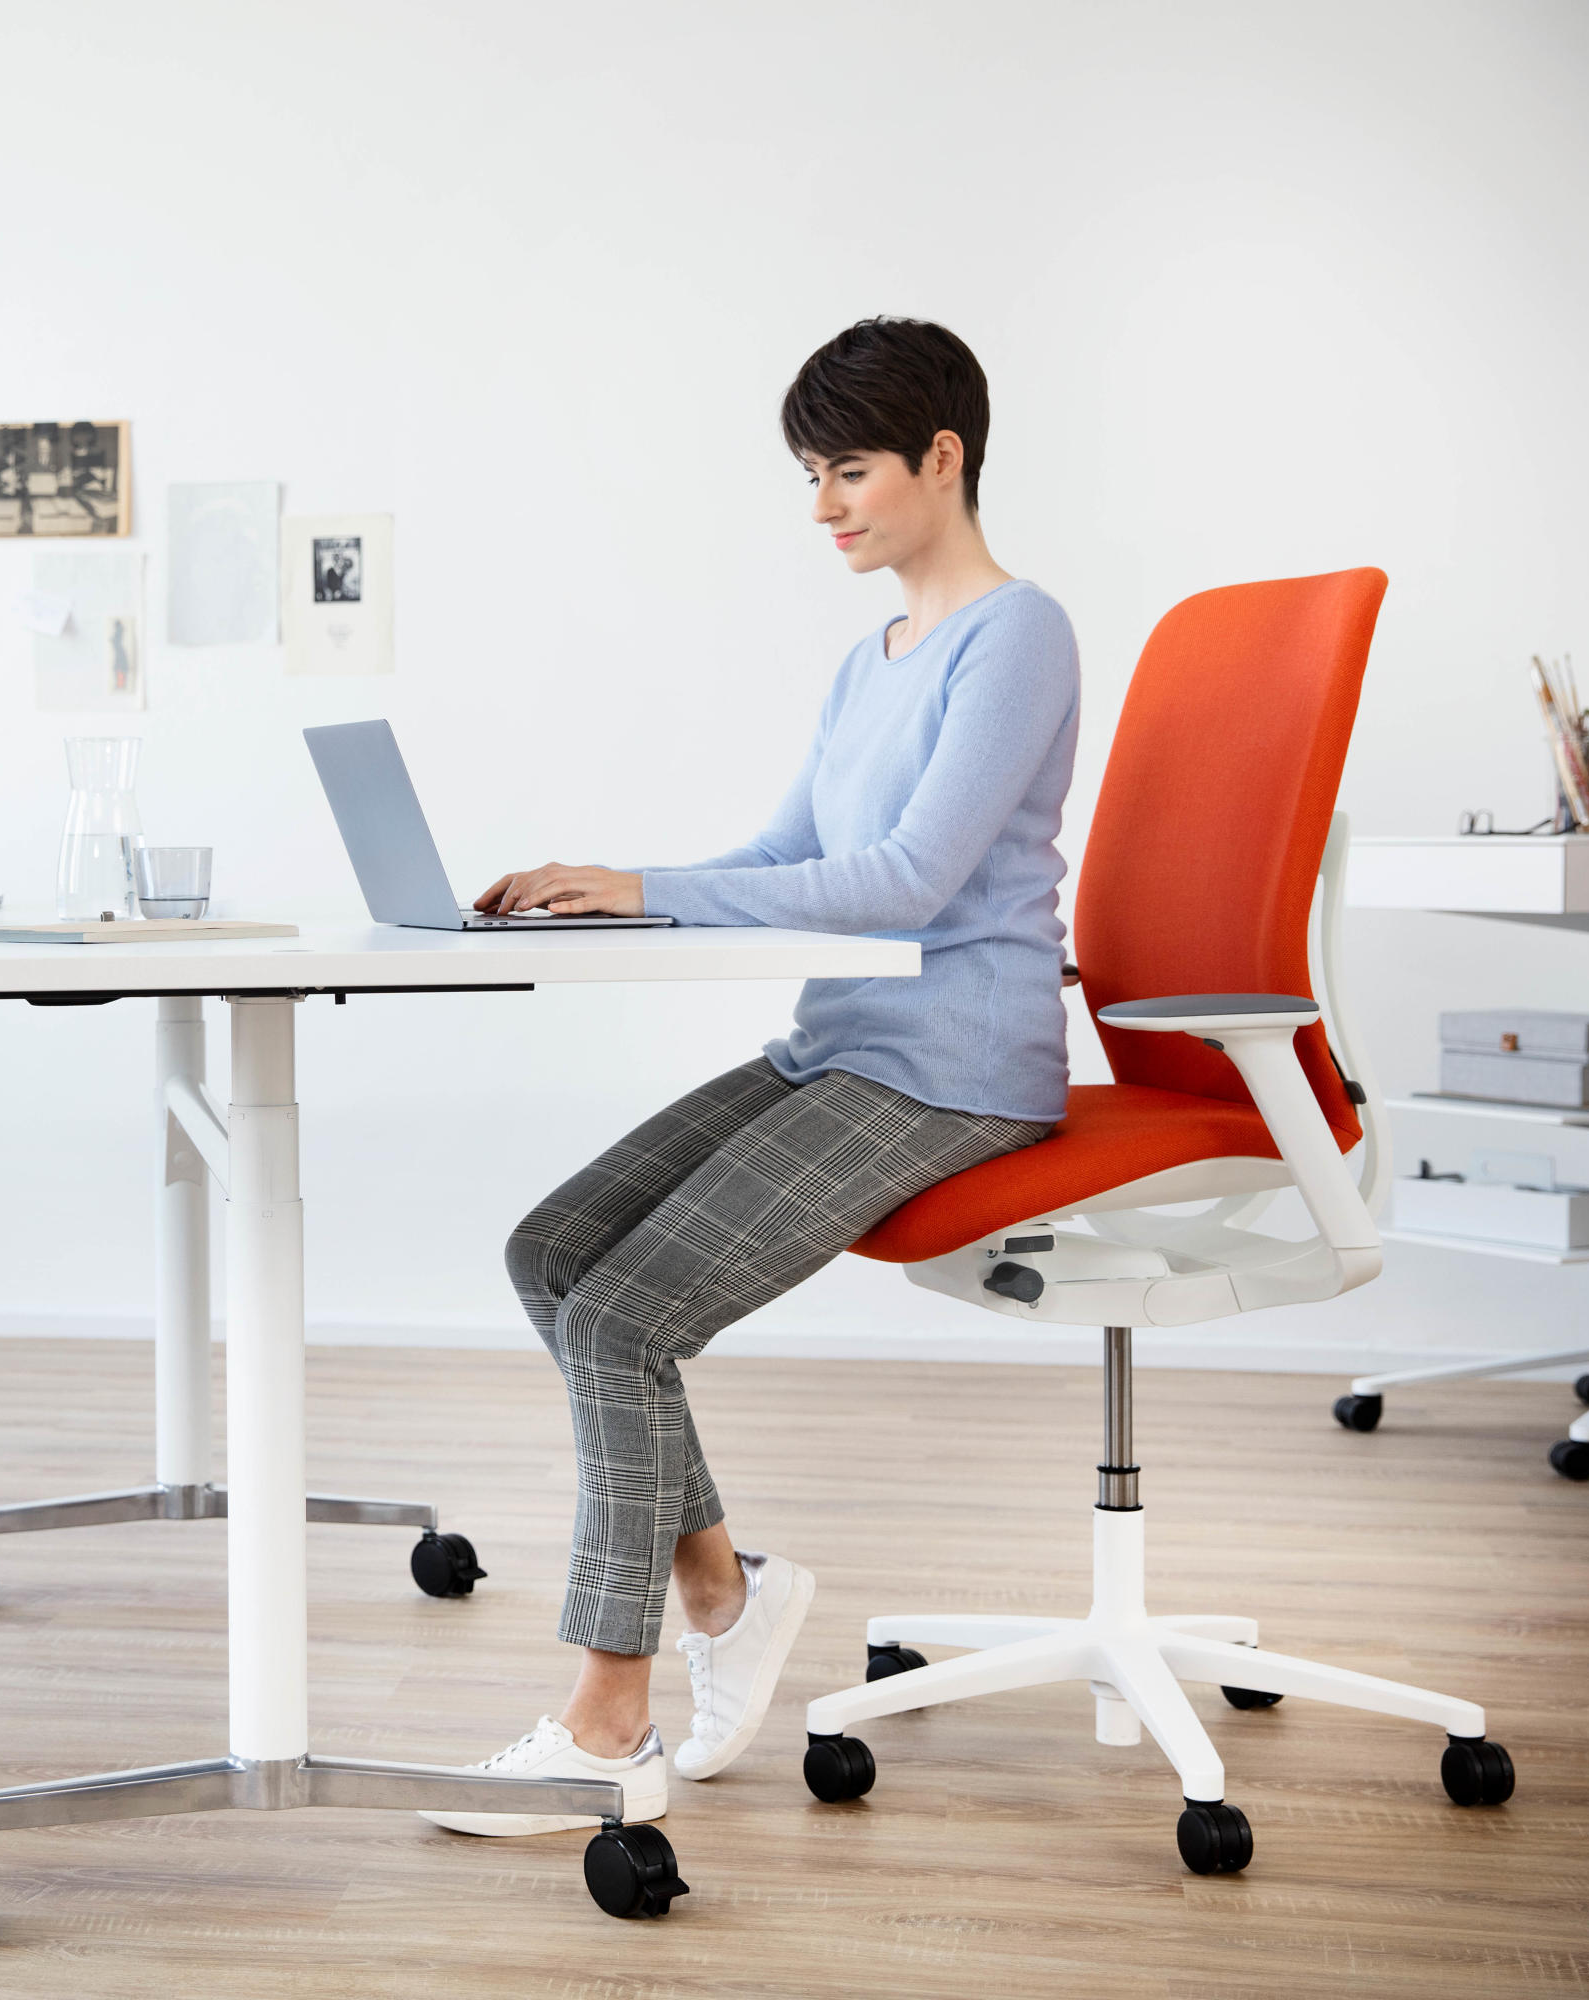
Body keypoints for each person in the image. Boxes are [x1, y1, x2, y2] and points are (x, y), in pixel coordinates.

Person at [425, 317, 1080, 1837]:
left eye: (848, 471)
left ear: (943, 457)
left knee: (628, 1312)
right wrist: (622, 882)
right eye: (809, 475)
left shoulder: (1018, 633)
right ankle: (726, 1589)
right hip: (848, 1042)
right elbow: (789, 859)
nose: (824, 508)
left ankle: (608, 1715)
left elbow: (910, 877)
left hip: (960, 1065)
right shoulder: (872, 663)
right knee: (554, 1255)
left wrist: (661, 887)